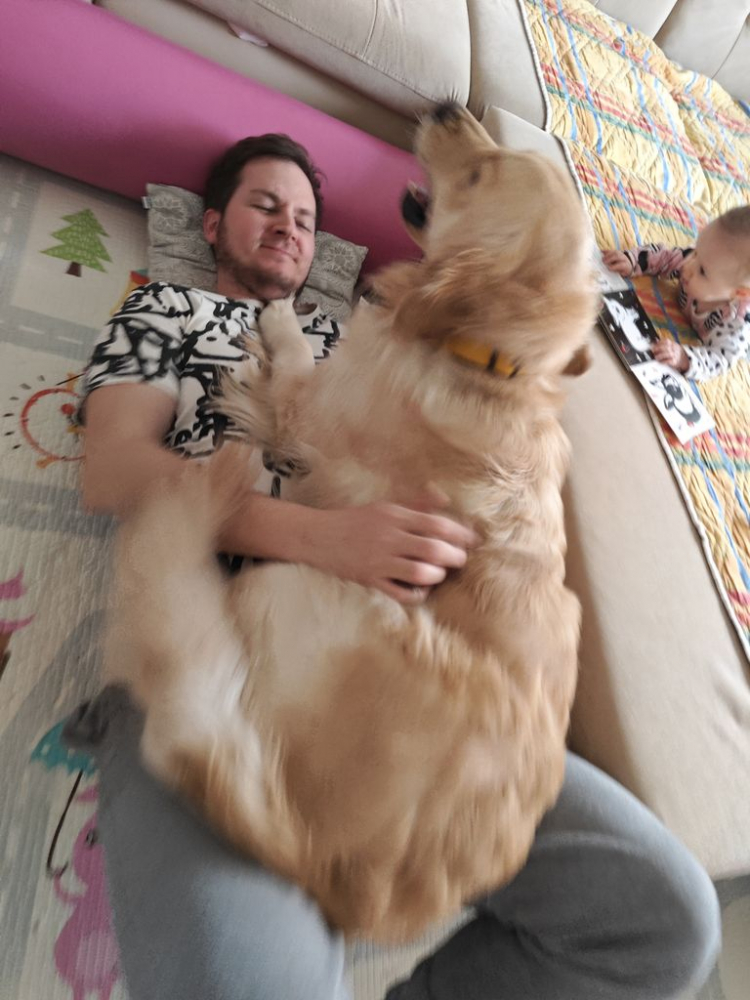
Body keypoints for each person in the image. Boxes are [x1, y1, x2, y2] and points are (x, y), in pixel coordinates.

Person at [64, 132, 721, 1000]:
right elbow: (113, 471)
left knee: (671, 923)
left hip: (425, 688)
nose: (289, 227)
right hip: (224, 642)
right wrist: (318, 538)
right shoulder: (163, 310)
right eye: (265, 206)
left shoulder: (361, 328)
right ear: (212, 225)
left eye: (306, 219)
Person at [603, 206, 750, 381]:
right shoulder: (701, 258)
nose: (688, 266)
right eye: (696, 252)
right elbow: (664, 257)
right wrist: (633, 260)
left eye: (702, 271)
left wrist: (684, 358)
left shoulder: (736, 323)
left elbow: (718, 360)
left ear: (737, 293)